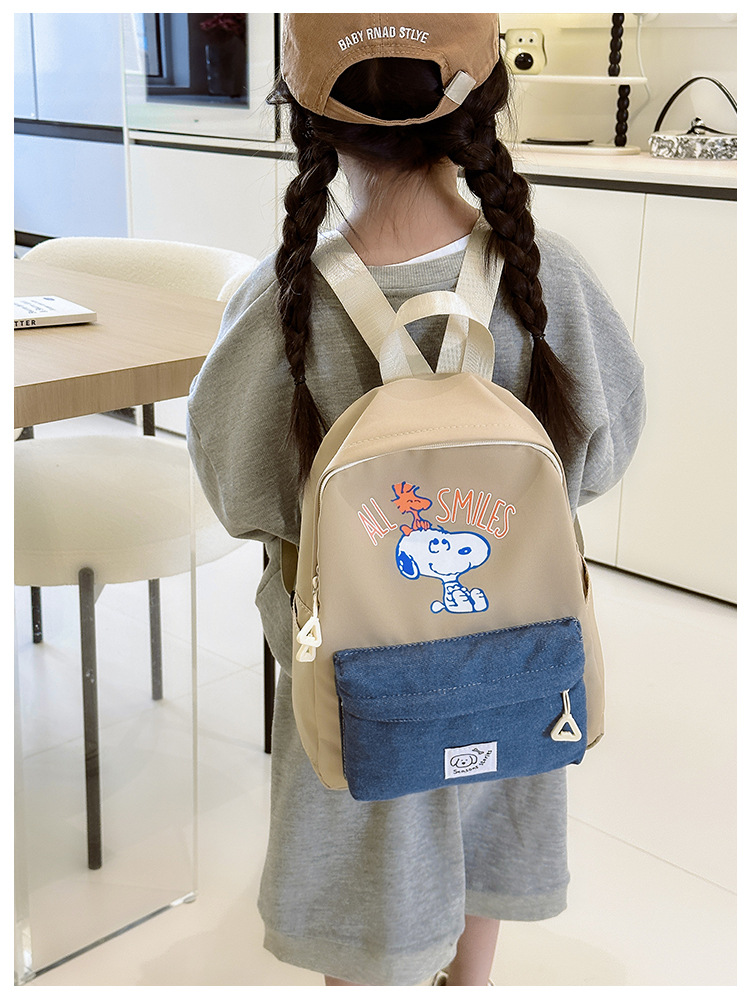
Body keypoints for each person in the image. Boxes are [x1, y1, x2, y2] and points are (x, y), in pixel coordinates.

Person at [187, 13, 646, 987]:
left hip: (353, 672)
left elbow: (241, 490)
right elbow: (604, 453)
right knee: (493, 814)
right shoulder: (547, 275)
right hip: (517, 649)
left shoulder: (279, 302)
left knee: (363, 872)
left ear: (302, 114)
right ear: (486, 101)